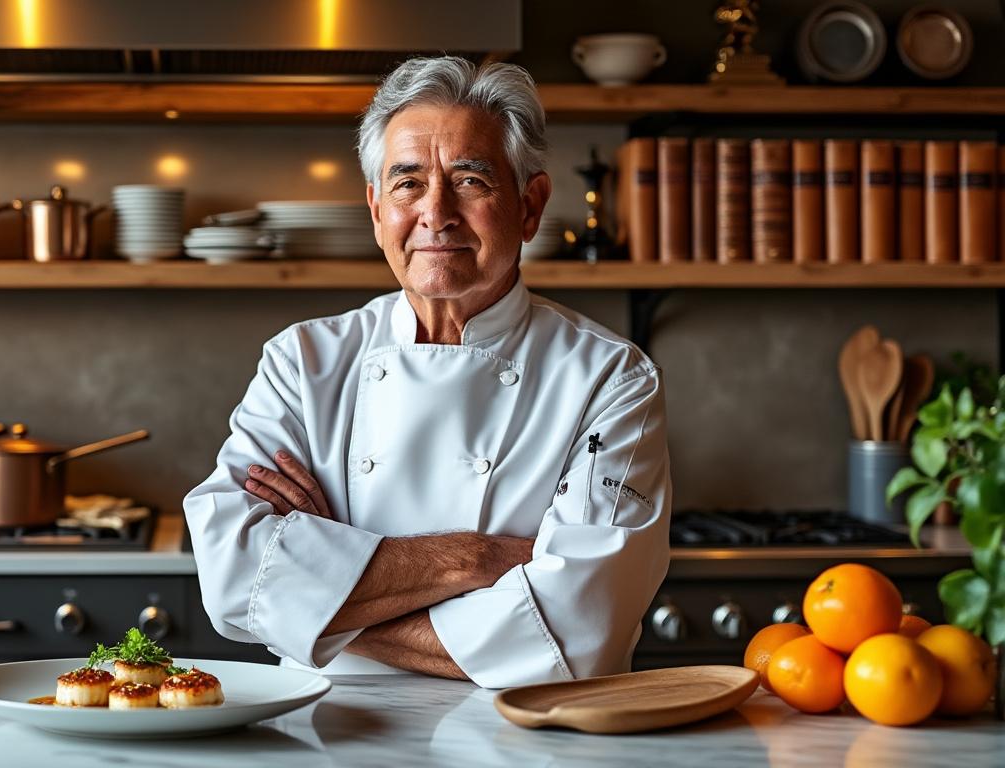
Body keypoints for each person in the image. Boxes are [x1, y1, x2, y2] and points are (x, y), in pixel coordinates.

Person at [182, 56, 670, 688]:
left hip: (525, 740)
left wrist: (314, 601)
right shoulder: (302, 362)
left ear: (530, 205)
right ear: (376, 208)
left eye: (470, 180)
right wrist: (480, 558)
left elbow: (575, 632)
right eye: (407, 183)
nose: (435, 214)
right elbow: (232, 581)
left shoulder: (610, 380)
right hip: (326, 729)